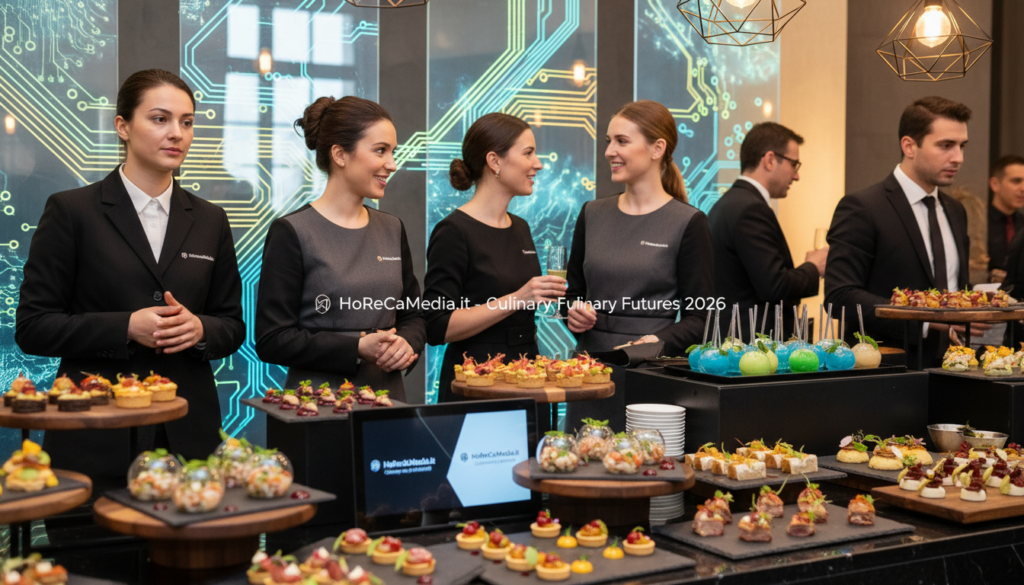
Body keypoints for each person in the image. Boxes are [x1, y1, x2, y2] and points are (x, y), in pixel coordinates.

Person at [15, 69, 245, 482]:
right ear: (122, 126)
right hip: (95, 434)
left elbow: (231, 325)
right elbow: (33, 327)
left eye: (187, 122)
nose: (176, 133)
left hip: (188, 439)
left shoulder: (211, 219)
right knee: (94, 547)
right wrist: (125, 326)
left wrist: (200, 330)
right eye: (160, 119)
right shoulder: (72, 211)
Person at [255, 97, 424, 400]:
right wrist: (356, 348)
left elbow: (414, 316)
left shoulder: (393, 228)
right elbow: (273, 339)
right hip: (318, 408)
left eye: (393, 152)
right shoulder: (292, 232)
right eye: (380, 151)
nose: (392, 164)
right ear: (340, 155)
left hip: (388, 402)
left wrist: (408, 343)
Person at [564, 100, 713, 430]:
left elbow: (700, 317)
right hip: (588, 373)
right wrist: (573, 312)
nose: (609, 152)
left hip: (650, 376)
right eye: (608, 141)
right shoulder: (592, 213)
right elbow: (571, 294)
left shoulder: (688, 222)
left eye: (622, 141)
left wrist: (654, 343)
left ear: (657, 148)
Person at [824, 96, 982, 364]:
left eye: (962, 146)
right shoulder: (863, 207)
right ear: (909, 146)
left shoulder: (956, 210)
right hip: (888, 370)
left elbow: (954, 291)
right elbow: (840, 296)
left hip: (956, 369)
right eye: (946, 146)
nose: (959, 158)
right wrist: (926, 321)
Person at [423, 113, 561, 404]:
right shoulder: (453, 231)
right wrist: (518, 298)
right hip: (476, 381)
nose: (538, 163)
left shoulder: (520, 227)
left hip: (525, 376)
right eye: (528, 153)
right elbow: (437, 326)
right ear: (494, 161)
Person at [707, 122, 825, 337]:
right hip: (751, 348)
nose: (796, 175)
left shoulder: (728, 203)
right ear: (770, 160)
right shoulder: (750, 209)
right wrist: (813, 266)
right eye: (794, 164)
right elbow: (775, 287)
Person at [986, 155, 1024, 279]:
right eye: (1016, 181)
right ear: (995, 184)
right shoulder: (977, 223)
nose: (1023, 188)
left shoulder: (1022, 224)